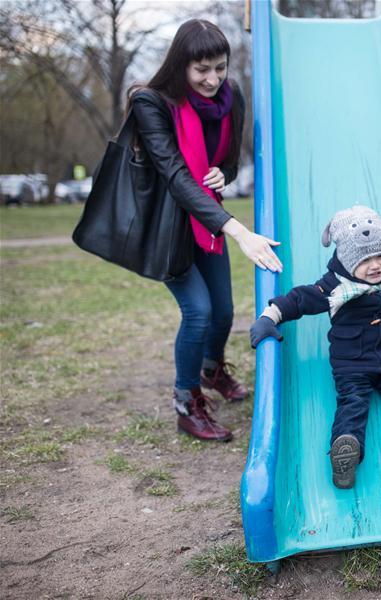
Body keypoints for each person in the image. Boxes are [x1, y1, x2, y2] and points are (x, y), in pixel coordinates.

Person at [128, 19, 283, 442]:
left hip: (207, 221)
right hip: (167, 227)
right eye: (201, 70)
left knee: (224, 312)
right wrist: (239, 231)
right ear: (181, 66)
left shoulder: (232, 99)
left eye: (219, 67)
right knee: (198, 312)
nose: (212, 79)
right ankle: (186, 402)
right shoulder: (151, 103)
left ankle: (212, 370)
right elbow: (176, 177)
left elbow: (230, 161)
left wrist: (223, 174)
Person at [249, 206, 381, 489]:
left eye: (379, 256)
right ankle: (346, 448)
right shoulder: (334, 285)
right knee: (352, 404)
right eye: (364, 260)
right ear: (348, 260)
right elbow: (300, 300)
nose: (375, 265)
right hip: (351, 365)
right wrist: (269, 317)